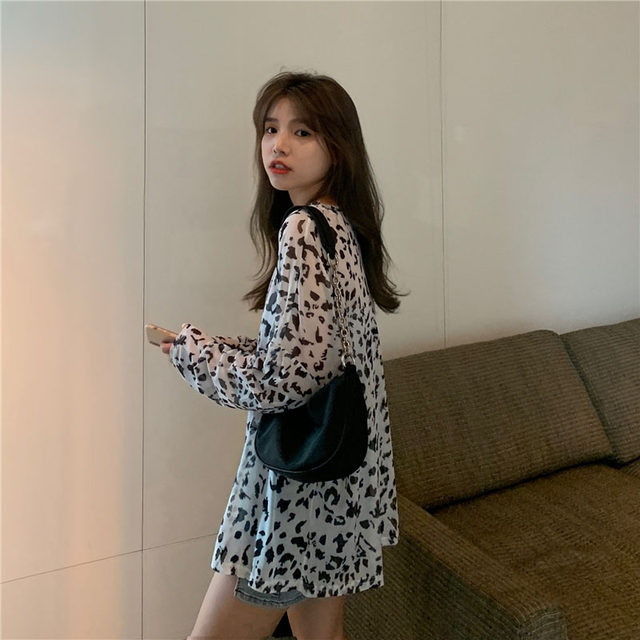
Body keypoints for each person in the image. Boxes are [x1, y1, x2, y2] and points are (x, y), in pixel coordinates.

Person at [160, 70, 406, 640]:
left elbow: (287, 378)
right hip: (339, 480)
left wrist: (196, 359)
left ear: (337, 146)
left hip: (294, 498)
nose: (279, 145)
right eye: (271, 129)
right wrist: (215, 345)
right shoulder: (341, 227)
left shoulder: (303, 229)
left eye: (303, 132)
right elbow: (314, 353)